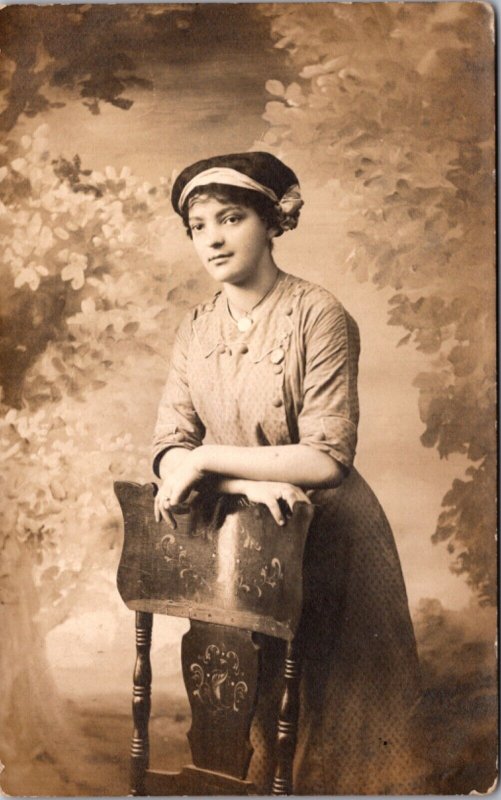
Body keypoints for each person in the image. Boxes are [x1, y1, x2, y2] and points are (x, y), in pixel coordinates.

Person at [151, 152, 424, 794]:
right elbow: (168, 447)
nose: (213, 238)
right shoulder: (195, 329)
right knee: (255, 709)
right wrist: (244, 484)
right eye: (198, 226)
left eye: (231, 217)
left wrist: (208, 462)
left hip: (333, 544)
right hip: (246, 537)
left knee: (332, 727)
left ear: (272, 222)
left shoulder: (320, 315)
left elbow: (325, 459)